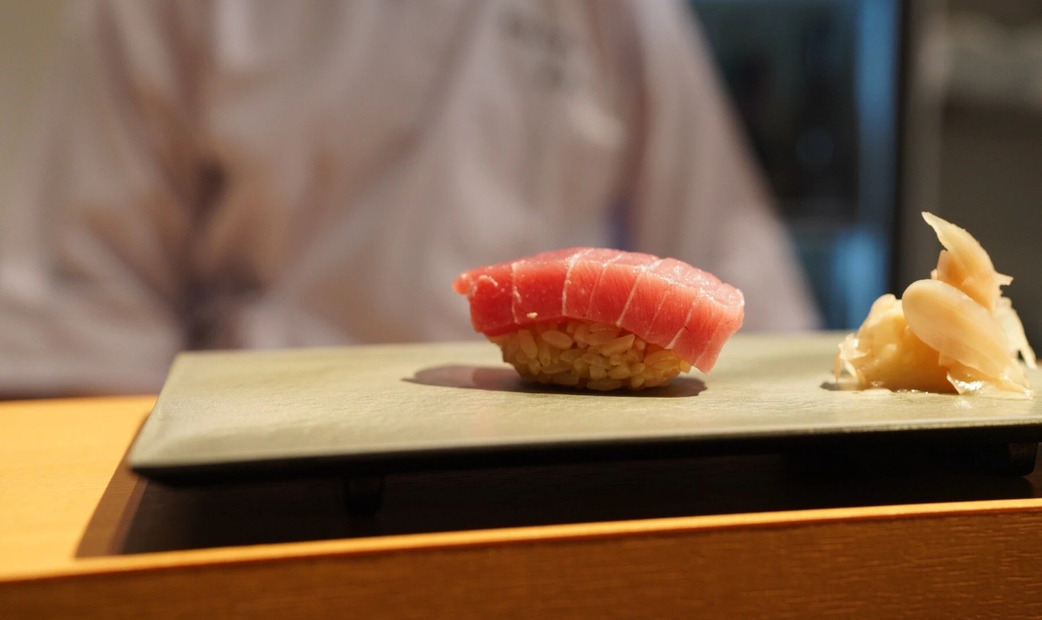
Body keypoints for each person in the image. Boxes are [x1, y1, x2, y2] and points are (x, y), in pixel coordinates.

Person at [0, 0, 820, 397]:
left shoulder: (622, 13)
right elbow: (82, 313)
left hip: (559, 474)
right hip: (267, 471)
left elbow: (732, 271)